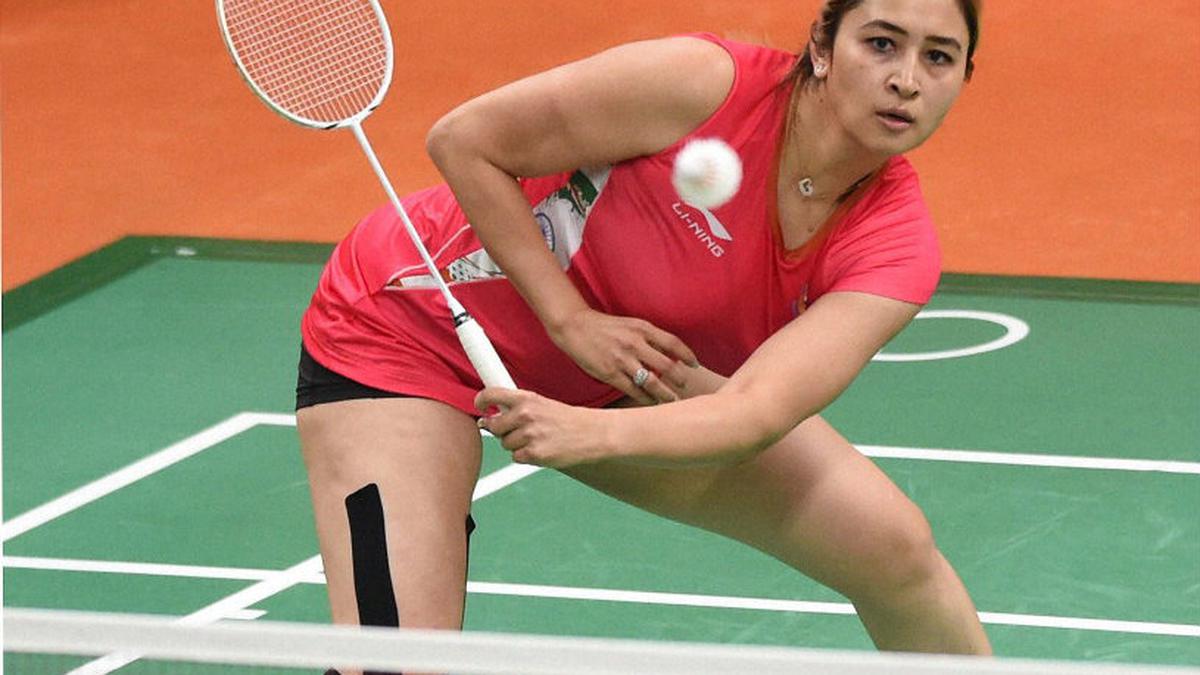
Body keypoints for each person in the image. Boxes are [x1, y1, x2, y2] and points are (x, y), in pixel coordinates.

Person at [296, 0, 992, 670]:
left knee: (894, 551)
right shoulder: (704, 85)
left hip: (622, 383)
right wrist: (569, 320)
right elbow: (465, 141)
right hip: (410, 331)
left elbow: (753, 409)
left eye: (938, 58)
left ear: (963, 80)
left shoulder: (895, 246)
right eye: (881, 43)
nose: (905, 78)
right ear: (821, 47)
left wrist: (583, 432)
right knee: (395, 666)